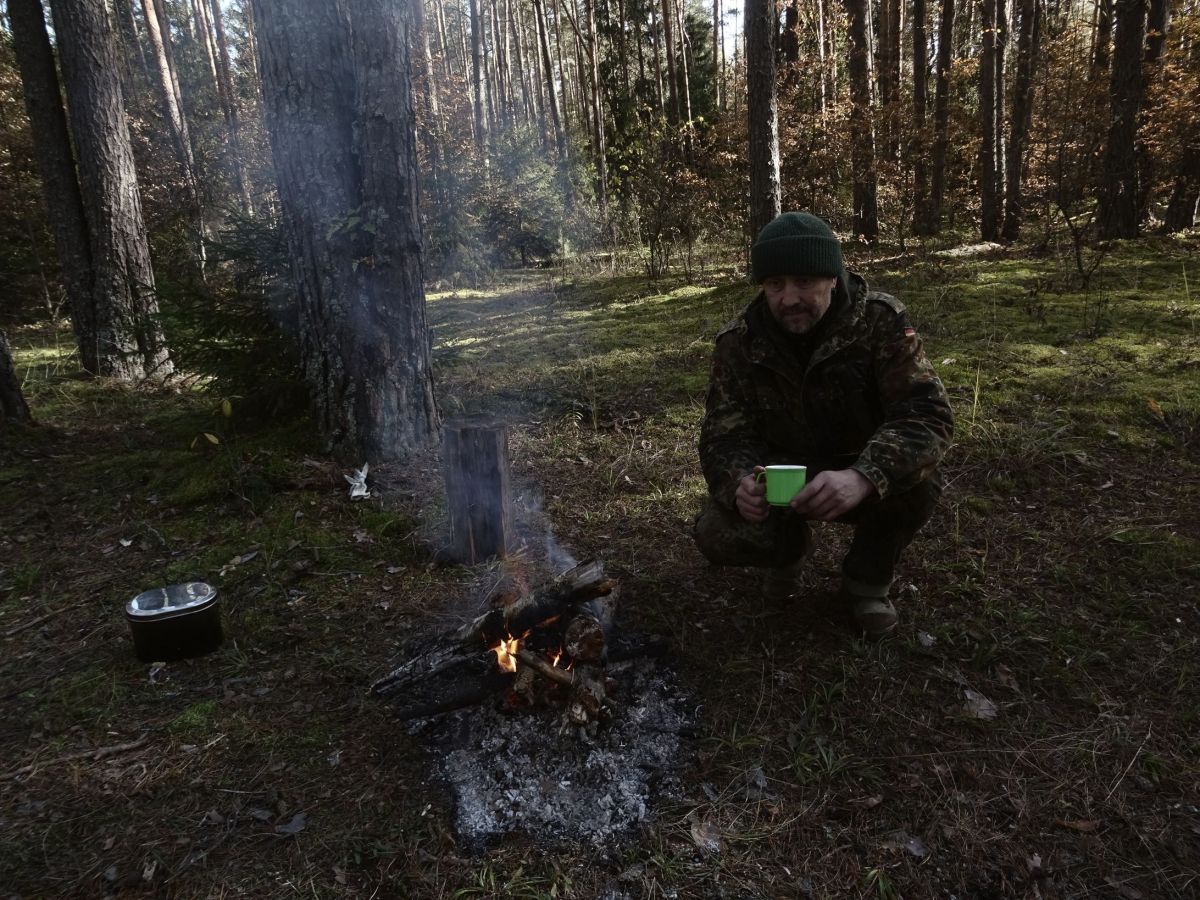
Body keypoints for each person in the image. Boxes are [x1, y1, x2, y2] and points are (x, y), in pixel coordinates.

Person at [692, 212, 954, 638]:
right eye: (775, 285)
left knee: (918, 484)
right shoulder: (740, 342)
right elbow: (724, 434)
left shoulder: (880, 322)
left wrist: (864, 477)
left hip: (858, 469)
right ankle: (786, 556)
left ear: (833, 277)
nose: (788, 297)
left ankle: (867, 583)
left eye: (803, 282)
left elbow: (926, 415)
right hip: (780, 477)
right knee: (717, 531)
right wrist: (738, 483)